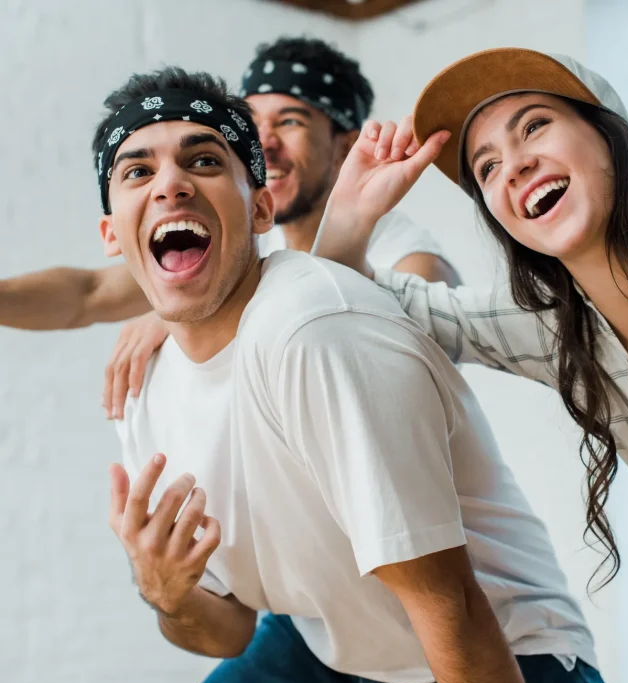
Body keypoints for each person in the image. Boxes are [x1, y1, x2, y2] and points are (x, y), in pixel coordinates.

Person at [99, 67, 608, 683]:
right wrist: (166, 592)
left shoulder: (315, 326)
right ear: (110, 235)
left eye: (203, 160)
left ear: (261, 208)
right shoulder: (143, 385)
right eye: (138, 171)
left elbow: (450, 606)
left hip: (496, 653)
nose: (171, 184)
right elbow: (225, 631)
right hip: (334, 649)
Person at [312, 48, 628, 585]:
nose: (515, 165)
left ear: (608, 137)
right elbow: (357, 304)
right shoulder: (555, 335)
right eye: (488, 166)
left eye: (535, 127)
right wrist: (349, 219)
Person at [0, 37, 459, 420]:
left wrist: (180, 317)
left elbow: (383, 356)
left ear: (344, 146)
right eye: (254, 124)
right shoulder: (245, 244)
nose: (266, 142)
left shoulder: (403, 249)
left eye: (291, 121)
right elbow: (86, 296)